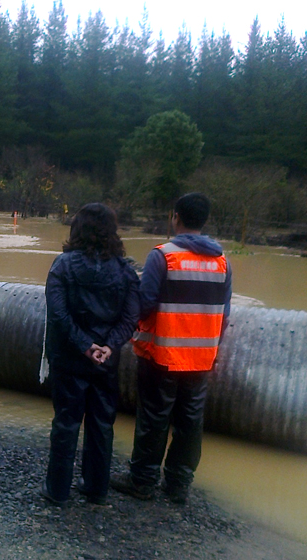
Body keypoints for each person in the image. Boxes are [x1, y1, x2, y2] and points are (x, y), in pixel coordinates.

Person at [111, 192, 232, 505]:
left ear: (175, 216)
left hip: (163, 355)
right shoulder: (221, 262)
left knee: (154, 418)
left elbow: (146, 303)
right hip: (201, 359)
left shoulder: (163, 255)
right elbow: (224, 313)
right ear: (204, 221)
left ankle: (143, 481)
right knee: (190, 421)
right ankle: (178, 486)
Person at [41, 203, 140, 507]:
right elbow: (131, 317)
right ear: (112, 231)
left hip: (70, 358)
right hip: (106, 362)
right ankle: (96, 488)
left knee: (66, 422)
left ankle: (57, 490)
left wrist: (85, 345)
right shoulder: (125, 271)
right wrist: (109, 346)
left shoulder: (63, 266)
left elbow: (58, 314)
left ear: (77, 228)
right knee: (101, 424)